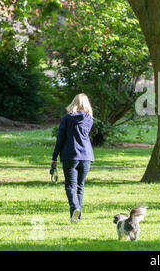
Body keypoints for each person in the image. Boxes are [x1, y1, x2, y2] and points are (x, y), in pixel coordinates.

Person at [51, 93, 94, 223]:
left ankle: (75, 208)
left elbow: (60, 139)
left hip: (70, 155)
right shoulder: (89, 119)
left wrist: (54, 158)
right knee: (80, 187)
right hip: (86, 156)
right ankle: (76, 217)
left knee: (70, 186)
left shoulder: (67, 119)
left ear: (74, 103)